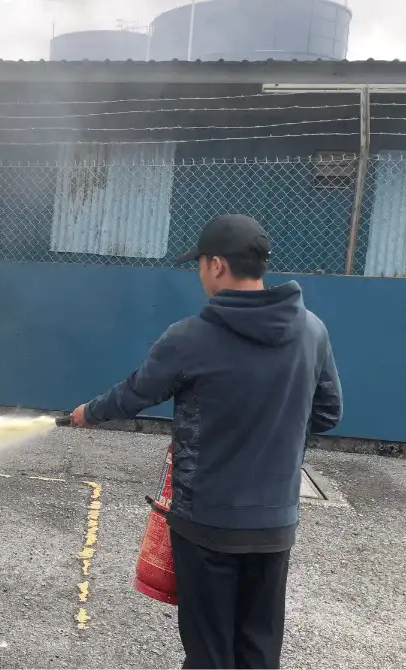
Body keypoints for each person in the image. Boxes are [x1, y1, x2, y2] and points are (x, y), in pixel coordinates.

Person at [70, 214, 342, 669]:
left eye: (199, 264)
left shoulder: (190, 338)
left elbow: (135, 393)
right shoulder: (312, 331)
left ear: (217, 264)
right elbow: (328, 413)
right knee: (258, 651)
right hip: (275, 527)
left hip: (206, 526)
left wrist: (87, 413)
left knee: (209, 654)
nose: (199, 274)